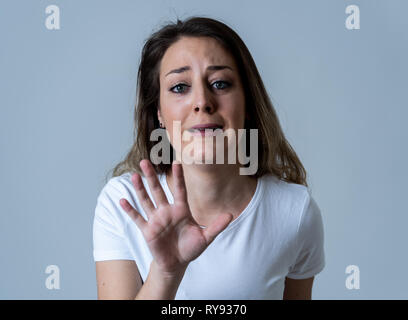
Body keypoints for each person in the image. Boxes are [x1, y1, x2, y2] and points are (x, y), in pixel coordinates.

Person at [93, 16, 325, 300]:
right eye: (180, 87)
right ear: (160, 114)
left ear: (248, 104)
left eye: (220, 83)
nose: (202, 101)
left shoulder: (295, 211)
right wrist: (167, 273)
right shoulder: (123, 204)